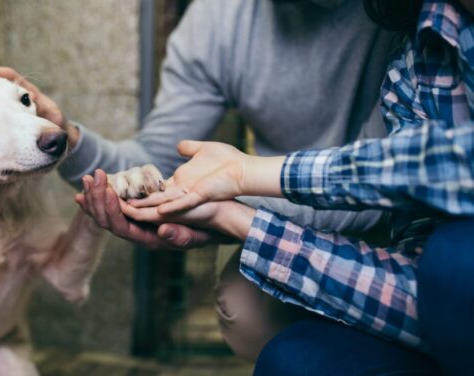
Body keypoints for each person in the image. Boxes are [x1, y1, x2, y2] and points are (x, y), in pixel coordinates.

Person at [0, 0, 411, 365]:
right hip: (273, 203)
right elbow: (152, 157)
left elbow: (392, 179)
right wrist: (63, 137)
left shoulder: (401, 16)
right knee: (246, 313)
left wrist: (226, 210)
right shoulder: (216, 20)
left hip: (398, 213)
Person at [123, 0, 474, 373]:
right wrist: (233, 219)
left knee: (454, 259)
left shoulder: (384, 33)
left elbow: (437, 164)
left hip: (376, 222)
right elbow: (427, 296)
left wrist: (247, 175)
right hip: (416, 267)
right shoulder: (420, 51)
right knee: (289, 360)